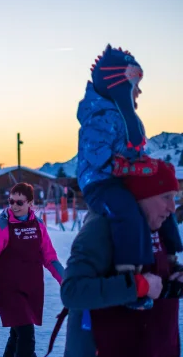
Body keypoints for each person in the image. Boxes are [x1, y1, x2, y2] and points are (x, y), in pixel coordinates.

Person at [49, 159, 181, 357]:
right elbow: (73, 291)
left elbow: (156, 282)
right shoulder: (102, 227)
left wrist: (172, 281)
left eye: (174, 198)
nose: (171, 208)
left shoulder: (155, 230)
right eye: (165, 197)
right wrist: (136, 285)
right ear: (142, 194)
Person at [76, 44, 182, 310]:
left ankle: (171, 258)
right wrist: (126, 168)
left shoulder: (128, 119)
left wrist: (151, 169)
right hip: (100, 182)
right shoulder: (99, 118)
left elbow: (139, 152)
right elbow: (96, 155)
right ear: (120, 86)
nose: (140, 91)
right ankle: (127, 274)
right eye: (135, 85)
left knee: (162, 202)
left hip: (123, 179)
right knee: (126, 209)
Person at [0, 183, 63, 357]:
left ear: (30, 203)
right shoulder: (1, 227)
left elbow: (50, 257)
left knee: (18, 333)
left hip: (31, 287)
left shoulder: (38, 225)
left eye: (19, 202)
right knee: (26, 332)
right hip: (8, 289)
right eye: (11, 201)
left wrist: (66, 281)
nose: (14, 206)